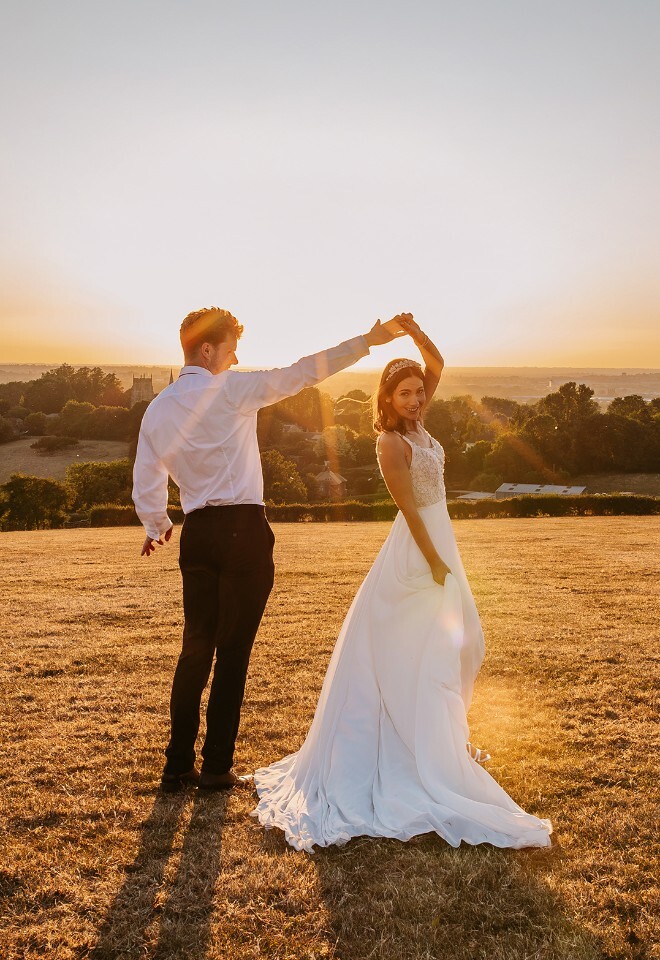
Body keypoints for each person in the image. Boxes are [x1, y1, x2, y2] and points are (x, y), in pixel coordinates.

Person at [252, 316, 553, 851]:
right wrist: (437, 563)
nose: (415, 399)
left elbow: (436, 364)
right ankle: (417, 749)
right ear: (386, 400)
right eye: (404, 393)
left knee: (466, 645)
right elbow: (409, 509)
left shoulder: (420, 425)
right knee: (426, 652)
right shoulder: (391, 443)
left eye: (418, 392)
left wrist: (412, 331)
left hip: (442, 541)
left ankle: (439, 743)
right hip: (419, 552)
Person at [132, 306, 397, 792]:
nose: (236, 358)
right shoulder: (232, 391)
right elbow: (303, 372)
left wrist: (155, 523)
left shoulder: (159, 408)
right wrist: (368, 341)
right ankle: (215, 769)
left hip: (198, 532)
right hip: (243, 531)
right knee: (232, 653)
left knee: (195, 651)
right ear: (207, 349)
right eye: (231, 347)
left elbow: (147, 472)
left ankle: (175, 765)